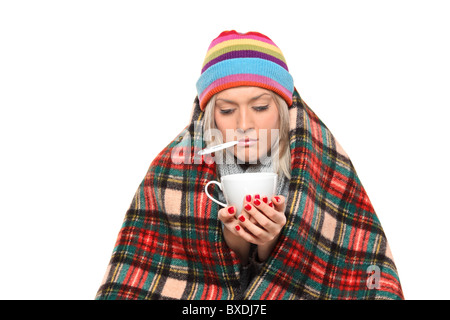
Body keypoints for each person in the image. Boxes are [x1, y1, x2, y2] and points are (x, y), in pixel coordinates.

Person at [96, 30, 403, 300]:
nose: (245, 124)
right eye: (228, 111)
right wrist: (233, 242)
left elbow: (361, 275)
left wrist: (273, 244)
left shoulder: (327, 167)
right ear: (210, 117)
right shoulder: (169, 174)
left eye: (260, 107)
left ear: (283, 110)